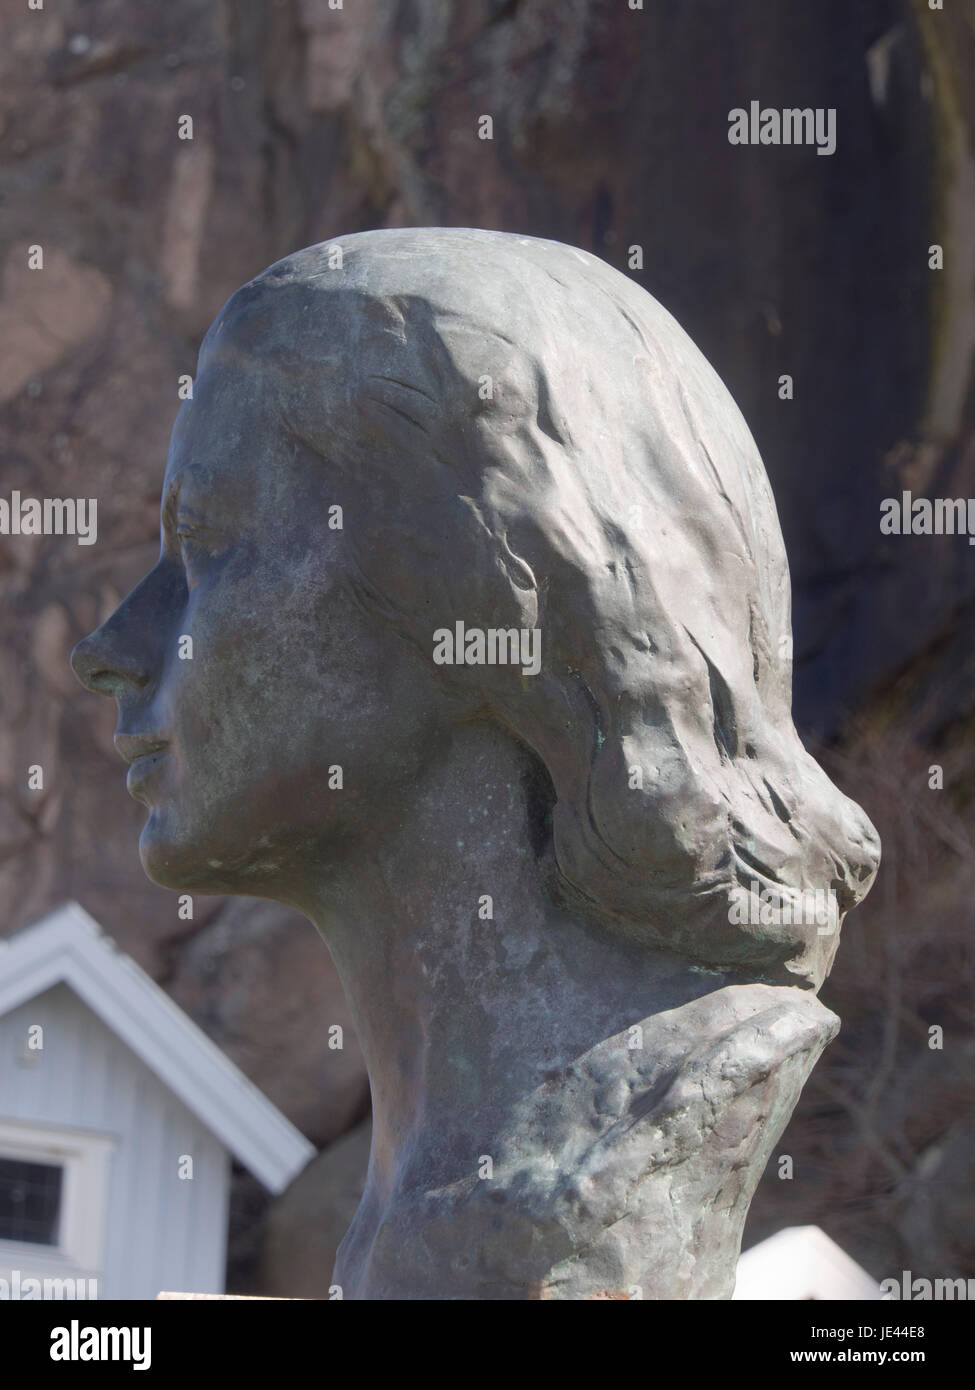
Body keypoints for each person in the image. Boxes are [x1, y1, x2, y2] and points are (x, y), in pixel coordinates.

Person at [71, 228, 879, 1298]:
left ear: (481, 585)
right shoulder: (437, 1187)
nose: (111, 649)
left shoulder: (598, 1161)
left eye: (209, 540)